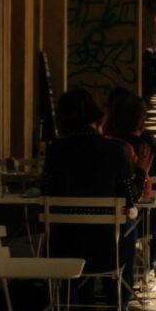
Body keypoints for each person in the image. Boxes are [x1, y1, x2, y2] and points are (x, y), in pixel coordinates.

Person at [40, 85, 141, 299]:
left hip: (62, 247)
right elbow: (130, 198)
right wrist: (140, 174)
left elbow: (46, 192)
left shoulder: (56, 150)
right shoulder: (116, 150)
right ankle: (117, 305)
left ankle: (69, 308)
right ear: (96, 114)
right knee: (126, 228)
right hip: (107, 249)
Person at [103, 86, 156, 297]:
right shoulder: (152, 153)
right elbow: (152, 193)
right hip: (134, 222)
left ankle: (150, 269)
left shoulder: (105, 147)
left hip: (100, 221)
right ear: (141, 121)